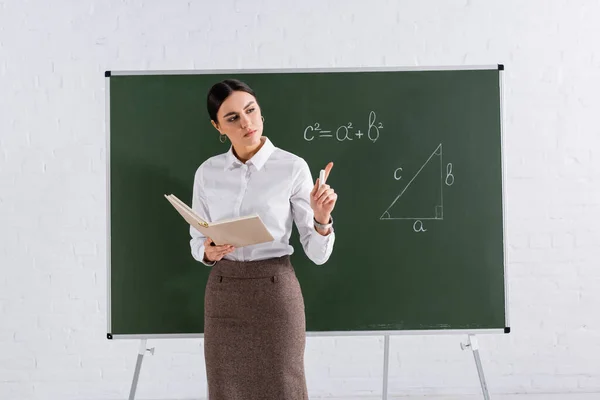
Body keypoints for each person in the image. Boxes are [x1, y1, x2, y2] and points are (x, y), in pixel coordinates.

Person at [189, 78, 337, 399]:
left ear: (260, 112)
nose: (246, 123)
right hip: (223, 293)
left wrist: (321, 218)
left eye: (251, 110)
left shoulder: (292, 167)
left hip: (275, 293)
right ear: (218, 126)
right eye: (233, 118)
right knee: (225, 391)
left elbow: (317, 253)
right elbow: (196, 240)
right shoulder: (207, 173)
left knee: (284, 388)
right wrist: (207, 251)